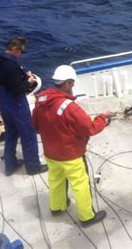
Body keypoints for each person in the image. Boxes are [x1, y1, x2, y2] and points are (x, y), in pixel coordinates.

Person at [31, 65, 110, 227]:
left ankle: (57, 207)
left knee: (55, 180)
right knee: (80, 184)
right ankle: (87, 217)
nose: (73, 87)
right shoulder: (69, 107)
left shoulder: (40, 101)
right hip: (71, 155)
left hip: (50, 154)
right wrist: (103, 118)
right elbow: (89, 128)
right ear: (67, 83)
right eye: (72, 84)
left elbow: (36, 126)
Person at [0, 36, 48, 176]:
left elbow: (6, 81)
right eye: (21, 52)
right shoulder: (12, 66)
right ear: (14, 49)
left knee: (11, 134)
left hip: (4, 105)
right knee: (28, 135)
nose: (21, 54)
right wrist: (28, 81)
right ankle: (33, 167)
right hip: (16, 105)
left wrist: (22, 76)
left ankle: (10, 166)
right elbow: (17, 89)